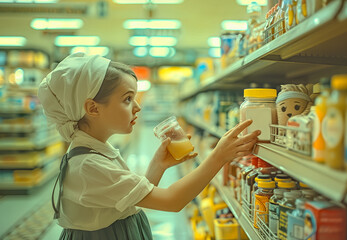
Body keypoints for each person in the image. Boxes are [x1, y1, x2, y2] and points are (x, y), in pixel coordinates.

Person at [38, 52, 260, 239]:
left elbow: (126, 201)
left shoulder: (95, 151)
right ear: (93, 108)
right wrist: (218, 156)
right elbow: (172, 201)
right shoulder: (88, 165)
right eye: (127, 99)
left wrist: (158, 165)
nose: (137, 107)